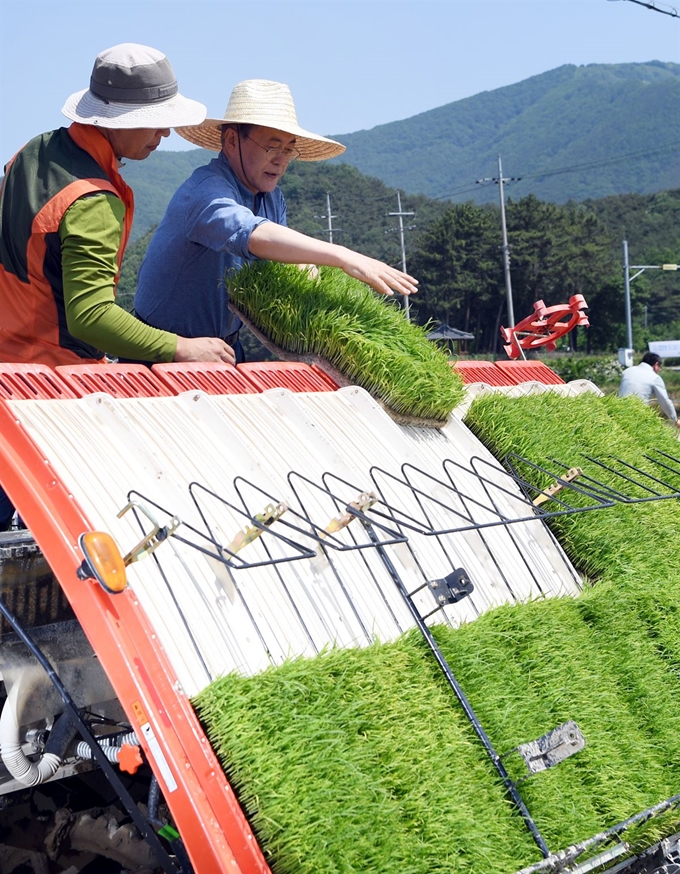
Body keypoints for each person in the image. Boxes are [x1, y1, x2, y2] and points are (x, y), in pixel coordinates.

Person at [134, 79, 418, 360]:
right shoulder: (206, 192)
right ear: (232, 140)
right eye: (273, 147)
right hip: (161, 351)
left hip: (225, 349)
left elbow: (279, 256)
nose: (281, 160)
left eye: (288, 149)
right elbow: (253, 234)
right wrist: (342, 256)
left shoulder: (272, 198)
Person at [0, 43, 236, 370]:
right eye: (156, 120)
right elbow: (91, 316)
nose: (165, 132)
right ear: (117, 120)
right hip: (53, 375)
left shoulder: (32, 151)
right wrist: (180, 347)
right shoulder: (91, 198)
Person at [618, 351, 680, 427]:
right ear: (656, 365)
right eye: (660, 367)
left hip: (618, 410)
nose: (659, 370)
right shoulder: (654, 377)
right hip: (637, 415)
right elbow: (664, 401)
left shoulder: (627, 371)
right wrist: (675, 419)